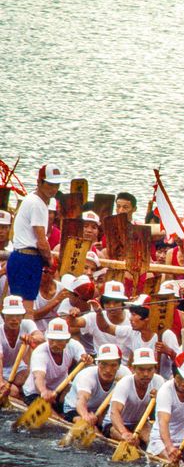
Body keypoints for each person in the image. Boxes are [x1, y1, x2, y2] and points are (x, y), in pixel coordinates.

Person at [9, 164, 70, 314]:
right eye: (50, 184)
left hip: (20, 256)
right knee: (27, 309)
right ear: (39, 182)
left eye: (56, 185)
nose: (54, 189)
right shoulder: (37, 204)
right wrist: (50, 261)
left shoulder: (32, 200)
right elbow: (41, 241)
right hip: (28, 258)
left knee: (18, 307)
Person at [21, 317, 88, 405]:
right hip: (36, 392)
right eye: (52, 340)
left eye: (59, 341)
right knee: (52, 413)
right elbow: (38, 377)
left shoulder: (74, 345)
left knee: (77, 396)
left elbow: (84, 360)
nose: (55, 344)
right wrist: (44, 391)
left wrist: (87, 361)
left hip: (61, 388)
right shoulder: (40, 352)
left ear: (67, 340)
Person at [106, 347, 162, 443]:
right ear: (133, 369)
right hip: (114, 424)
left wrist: (159, 399)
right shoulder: (124, 383)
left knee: (151, 441)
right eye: (141, 369)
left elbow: (159, 413)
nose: (146, 374)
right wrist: (124, 433)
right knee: (133, 442)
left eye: (149, 370)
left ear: (155, 369)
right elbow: (114, 412)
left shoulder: (159, 381)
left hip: (139, 423)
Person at [66, 343, 121, 424]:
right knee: (86, 424)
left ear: (119, 365)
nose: (108, 370)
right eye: (104, 364)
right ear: (97, 363)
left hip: (100, 411)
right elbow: (82, 399)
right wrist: (85, 416)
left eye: (113, 365)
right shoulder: (87, 376)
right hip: (75, 409)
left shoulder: (125, 374)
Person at [0, 295, 40, 402]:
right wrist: (1, 383)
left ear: (23, 316)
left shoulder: (28, 324)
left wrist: (32, 338)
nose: (14, 319)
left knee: (32, 381)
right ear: (3, 316)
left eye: (18, 315)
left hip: (17, 369)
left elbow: (41, 337)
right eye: (10, 315)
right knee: (13, 392)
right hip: (1, 370)